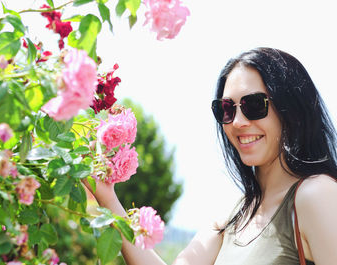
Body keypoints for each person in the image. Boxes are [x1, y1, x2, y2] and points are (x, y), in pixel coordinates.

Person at [84, 47, 337, 264]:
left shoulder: (317, 195)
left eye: (254, 105)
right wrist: (107, 196)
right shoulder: (234, 216)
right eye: (226, 109)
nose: (237, 122)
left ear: (291, 109)